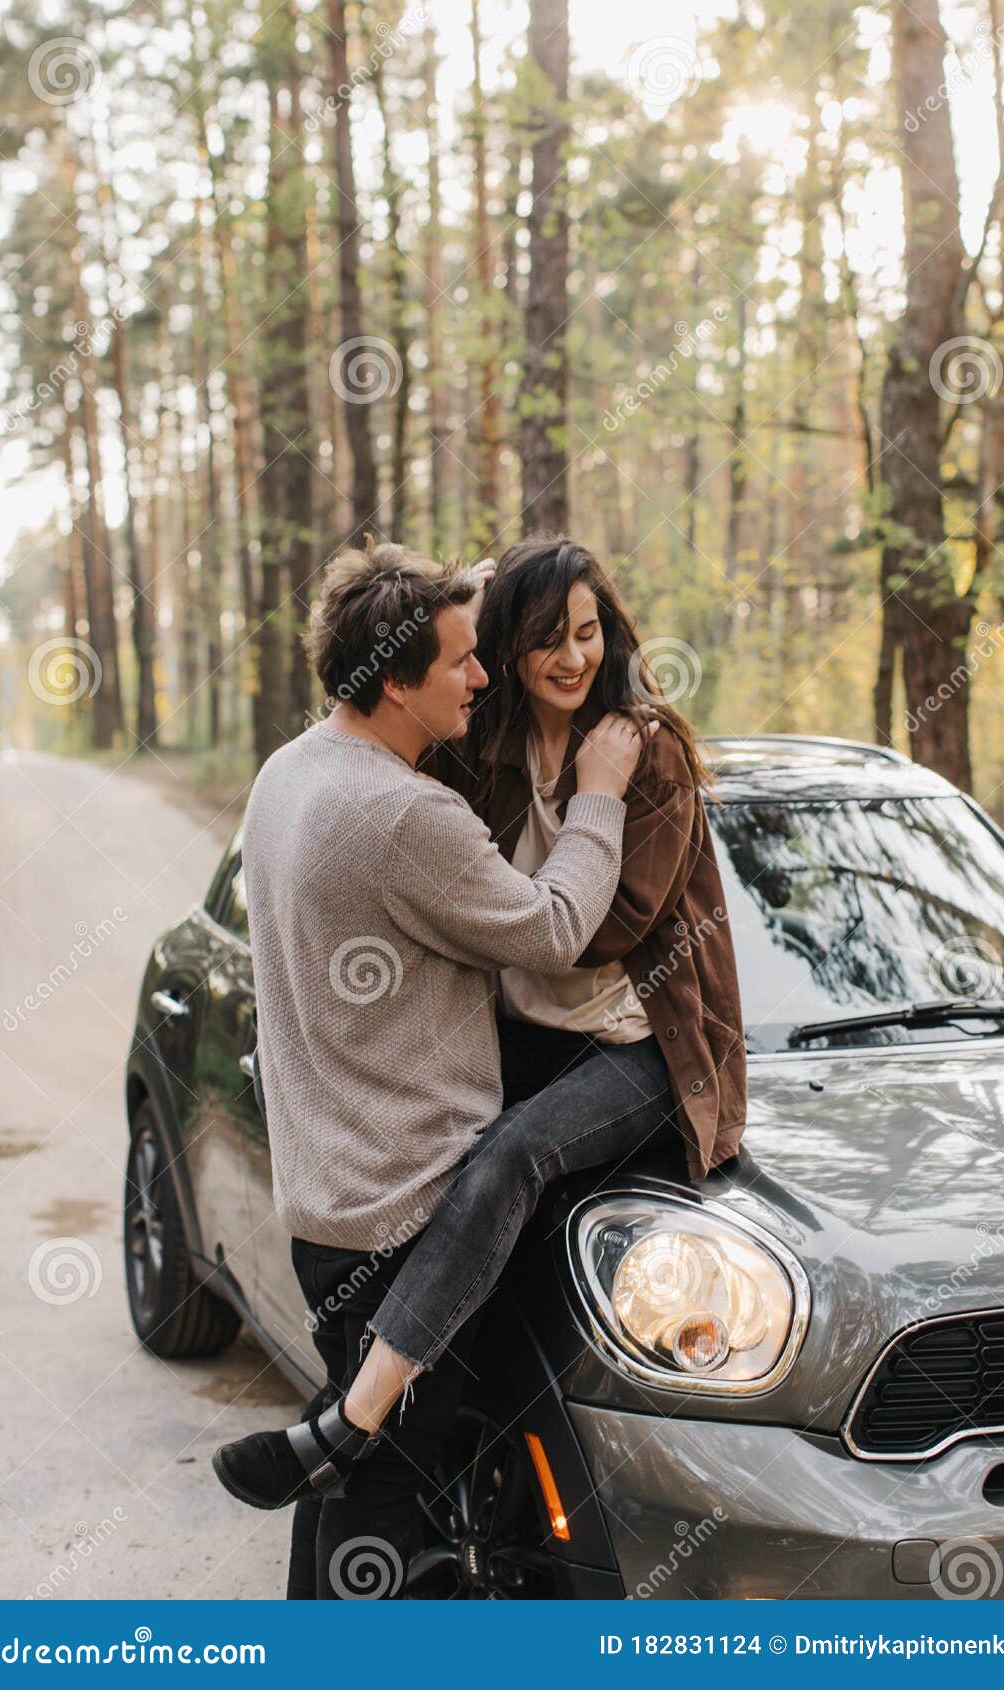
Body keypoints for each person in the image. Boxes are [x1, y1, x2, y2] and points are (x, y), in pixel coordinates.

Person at [214, 537, 747, 1600]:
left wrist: (467, 602)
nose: (488, 672)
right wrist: (581, 786)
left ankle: (342, 1432)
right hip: (399, 1195)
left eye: (584, 632)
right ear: (401, 681)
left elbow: (617, 923)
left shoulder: (292, 770)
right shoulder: (423, 798)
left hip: (354, 1178)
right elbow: (550, 929)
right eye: (486, 650)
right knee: (380, 1507)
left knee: (354, 1486)